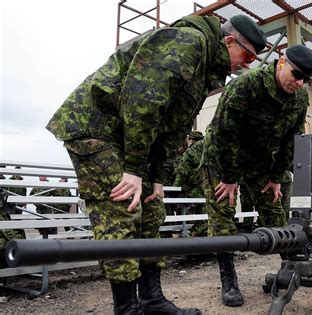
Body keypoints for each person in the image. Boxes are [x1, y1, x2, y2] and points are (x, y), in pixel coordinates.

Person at [45, 14, 267, 315]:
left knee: (152, 209)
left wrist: (157, 178)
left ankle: (151, 299)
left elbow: (173, 128)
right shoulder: (188, 42)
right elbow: (143, 102)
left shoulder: (206, 69)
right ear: (229, 41)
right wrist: (135, 170)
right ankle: (127, 308)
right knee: (122, 209)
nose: (248, 64)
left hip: (130, 138)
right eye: (248, 55)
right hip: (96, 128)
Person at [201, 44, 312, 307]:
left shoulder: (299, 98)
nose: (299, 83)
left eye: (306, 79)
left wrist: (277, 176)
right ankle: (229, 280)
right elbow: (224, 132)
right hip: (223, 158)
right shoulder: (247, 85)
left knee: (275, 214)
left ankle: (290, 269)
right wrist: (230, 177)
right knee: (223, 215)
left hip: (261, 162)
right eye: (296, 74)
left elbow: (291, 140)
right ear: (280, 62)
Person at [173, 131, 207, 236]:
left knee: (188, 212)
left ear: (191, 140)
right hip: (210, 186)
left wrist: (175, 188)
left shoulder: (190, 152)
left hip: (195, 187)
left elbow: (183, 171)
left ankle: (192, 233)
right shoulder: (208, 148)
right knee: (205, 210)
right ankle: (202, 232)